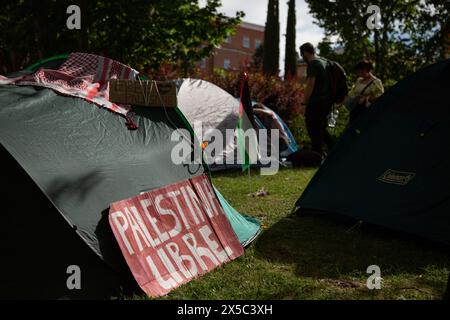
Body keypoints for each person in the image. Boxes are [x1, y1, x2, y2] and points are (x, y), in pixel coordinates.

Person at [300, 42, 334, 157]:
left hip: (316, 102)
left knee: (312, 126)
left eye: (302, 54)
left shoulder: (313, 64)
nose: (302, 57)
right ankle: (333, 148)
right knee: (320, 127)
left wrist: (304, 102)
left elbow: (310, 84)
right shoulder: (323, 62)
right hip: (326, 101)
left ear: (305, 52)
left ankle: (317, 154)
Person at [344, 60, 384, 124]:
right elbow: (352, 92)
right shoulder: (359, 80)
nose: (358, 73)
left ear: (365, 70)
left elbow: (380, 96)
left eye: (359, 71)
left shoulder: (376, 82)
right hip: (355, 109)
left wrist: (367, 98)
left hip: (366, 111)